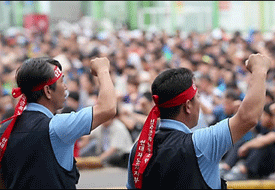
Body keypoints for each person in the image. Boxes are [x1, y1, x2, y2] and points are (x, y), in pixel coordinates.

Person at [126, 53, 270, 189]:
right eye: (198, 97)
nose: (200, 103)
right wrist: (259, 70)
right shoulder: (200, 144)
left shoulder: (139, 148)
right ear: (188, 106)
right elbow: (248, 117)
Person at [0, 57, 116, 189]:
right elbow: (107, 108)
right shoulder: (57, 127)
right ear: (48, 91)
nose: (66, 87)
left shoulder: (4, 130)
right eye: (62, 81)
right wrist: (103, 69)